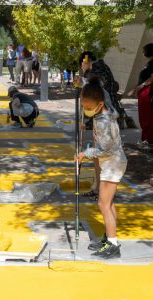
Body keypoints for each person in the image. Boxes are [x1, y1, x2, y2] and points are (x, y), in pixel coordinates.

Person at [76, 77, 127, 259]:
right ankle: (109, 237)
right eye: (84, 107)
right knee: (109, 203)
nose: (87, 110)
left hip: (112, 163)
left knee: (103, 204)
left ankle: (113, 244)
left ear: (99, 104)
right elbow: (97, 91)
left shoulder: (104, 122)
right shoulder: (107, 111)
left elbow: (105, 149)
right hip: (113, 161)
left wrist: (85, 153)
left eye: (89, 108)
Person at [127, 43, 153, 146]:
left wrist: (138, 87)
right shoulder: (149, 62)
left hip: (147, 92)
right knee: (144, 117)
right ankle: (146, 138)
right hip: (144, 92)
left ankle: (149, 140)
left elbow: (152, 78)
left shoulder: (152, 63)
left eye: (144, 50)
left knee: (147, 117)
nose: (143, 52)